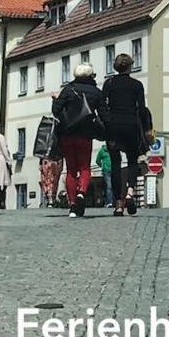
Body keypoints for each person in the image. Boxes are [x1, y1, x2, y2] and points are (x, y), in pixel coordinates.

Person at [52, 63, 105, 217]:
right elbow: (102, 113)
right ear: (91, 76)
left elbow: (56, 111)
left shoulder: (68, 90)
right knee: (85, 168)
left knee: (71, 170)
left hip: (67, 135)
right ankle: (82, 192)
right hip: (86, 135)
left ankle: (73, 205)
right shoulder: (96, 92)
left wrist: (56, 100)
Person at [102, 54, 149, 216]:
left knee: (115, 164)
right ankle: (129, 193)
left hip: (113, 127)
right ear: (130, 67)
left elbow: (102, 105)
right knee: (132, 162)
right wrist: (147, 128)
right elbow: (142, 108)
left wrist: (107, 121)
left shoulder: (109, 83)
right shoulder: (137, 85)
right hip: (131, 126)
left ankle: (118, 204)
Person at [95, 142, 113, 208]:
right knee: (109, 186)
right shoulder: (102, 151)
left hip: (114, 169)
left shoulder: (113, 149)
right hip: (106, 170)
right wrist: (102, 166)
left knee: (114, 185)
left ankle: (113, 201)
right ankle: (109, 202)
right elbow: (97, 160)